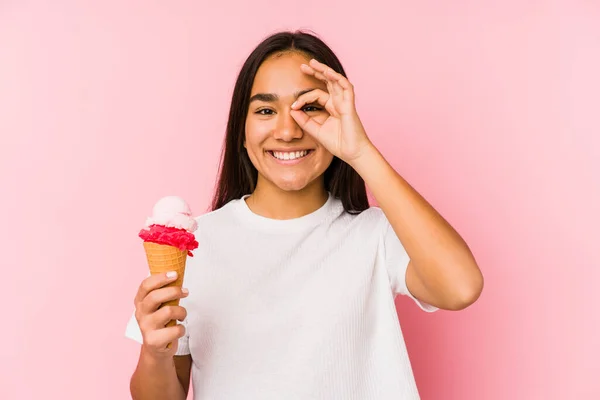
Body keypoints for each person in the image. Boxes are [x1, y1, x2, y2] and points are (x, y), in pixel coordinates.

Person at [125, 30, 483, 400]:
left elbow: (461, 287)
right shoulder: (196, 244)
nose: (287, 130)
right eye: (265, 110)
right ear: (241, 132)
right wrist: (155, 352)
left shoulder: (375, 235)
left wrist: (359, 152)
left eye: (309, 107)